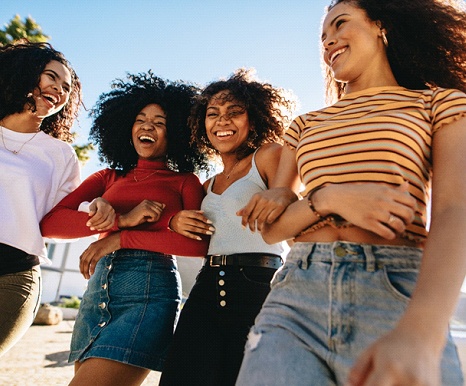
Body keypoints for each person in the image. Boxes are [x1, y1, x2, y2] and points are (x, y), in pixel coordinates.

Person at [236, 0, 466, 385]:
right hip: (296, 295)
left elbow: (454, 209)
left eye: (340, 24)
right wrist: (329, 198)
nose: (329, 42)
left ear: (380, 26)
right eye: (322, 37)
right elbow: (274, 231)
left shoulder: (438, 102)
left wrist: (423, 331)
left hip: (395, 291)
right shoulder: (306, 124)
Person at [40, 72, 209, 386]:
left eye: (159, 122)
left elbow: (200, 246)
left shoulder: (185, 182)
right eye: (140, 119)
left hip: (148, 293)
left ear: (176, 133)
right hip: (97, 292)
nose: (147, 126)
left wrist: (119, 238)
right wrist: (123, 219)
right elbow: (50, 223)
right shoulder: (108, 177)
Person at [159, 68, 297, 386]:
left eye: (234, 113)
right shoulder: (206, 185)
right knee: (182, 377)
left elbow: (292, 213)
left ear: (255, 119)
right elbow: (186, 238)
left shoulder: (268, 155)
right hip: (206, 286)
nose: (222, 121)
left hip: (258, 284)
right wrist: (174, 221)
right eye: (213, 113)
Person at [0, 41, 82, 357]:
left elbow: (62, 218)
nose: (59, 90)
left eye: (66, 88)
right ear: (24, 72)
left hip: (12, 275)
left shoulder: (59, 154)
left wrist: (101, 211)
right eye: (51, 77)